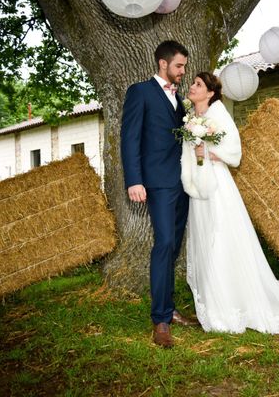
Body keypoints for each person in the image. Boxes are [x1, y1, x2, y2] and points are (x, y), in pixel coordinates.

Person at [181, 72, 279, 334]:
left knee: (220, 237)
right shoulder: (191, 118)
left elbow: (234, 152)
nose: (192, 87)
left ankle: (230, 303)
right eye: (193, 83)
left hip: (218, 186)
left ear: (210, 93)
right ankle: (214, 299)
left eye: (198, 84)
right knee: (205, 238)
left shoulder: (218, 113)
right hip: (199, 187)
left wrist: (207, 152)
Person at [120, 40, 198, 349]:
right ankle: (160, 321)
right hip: (157, 182)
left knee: (174, 245)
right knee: (164, 243)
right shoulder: (140, 92)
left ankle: (170, 308)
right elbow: (129, 138)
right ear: (163, 64)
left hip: (183, 183)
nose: (183, 71)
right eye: (179, 66)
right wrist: (134, 180)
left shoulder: (179, 99)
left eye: (184, 66)